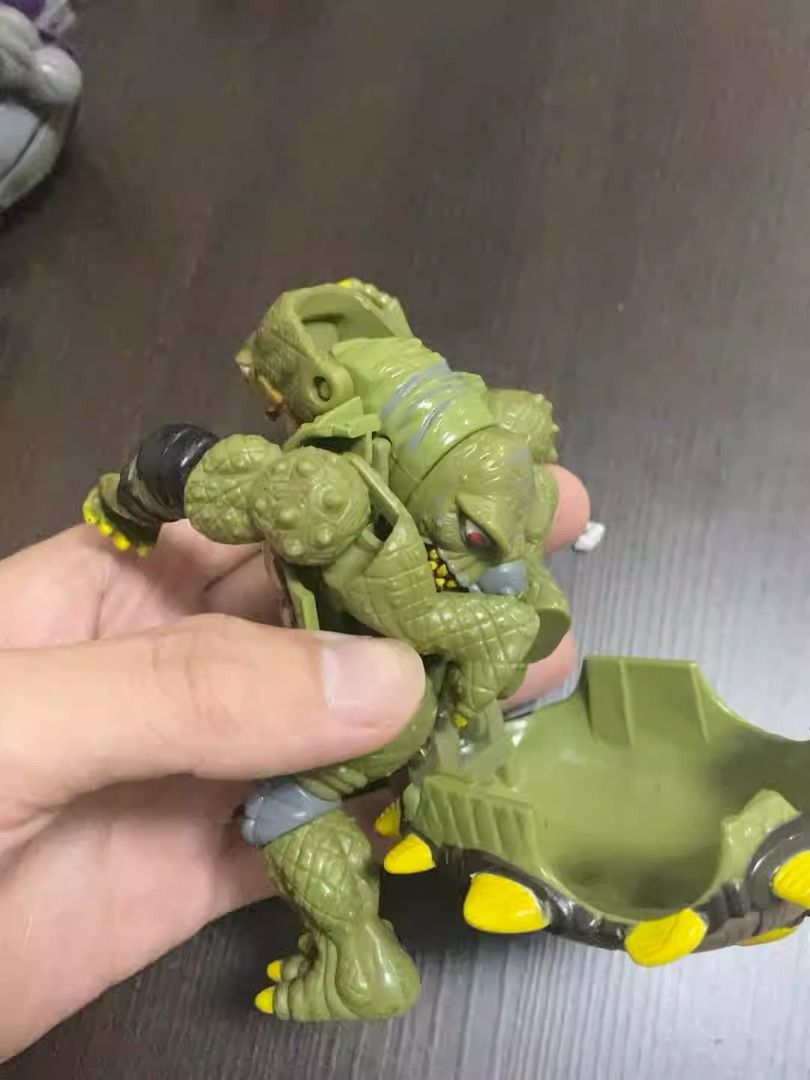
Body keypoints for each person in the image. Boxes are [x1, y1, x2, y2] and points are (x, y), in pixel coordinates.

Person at [0, 467, 589, 1061]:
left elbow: (493, 615)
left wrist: (130, 499)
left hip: (391, 693)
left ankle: (358, 962)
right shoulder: (377, 502)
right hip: (403, 669)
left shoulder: (356, 509)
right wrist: (132, 500)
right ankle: (360, 954)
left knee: (283, 810)